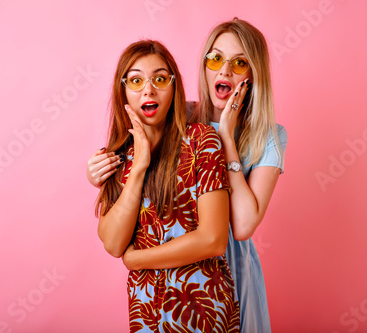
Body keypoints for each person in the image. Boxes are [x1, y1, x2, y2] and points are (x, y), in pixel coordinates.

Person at [88, 19, 287, 332]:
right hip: (160, 282)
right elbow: (139, 166)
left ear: (253, 74)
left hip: (226, 267)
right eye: (215, 59)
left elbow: (242, 225)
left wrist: (226, 140)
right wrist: (99, 170)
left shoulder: (269, 137)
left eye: (239, 62)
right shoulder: (180, 116)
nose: (224, 71)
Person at [96, 39, 240, 332]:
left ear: (173, 87)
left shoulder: (202, 140)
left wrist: (137, 259)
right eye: (136, 80)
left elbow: (213, 239)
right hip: (146, 312)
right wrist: (139, 169)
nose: (148, 89)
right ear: (122, 90)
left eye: (159, 79)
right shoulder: (117, 157)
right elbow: (112, 243)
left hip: (205, 310)